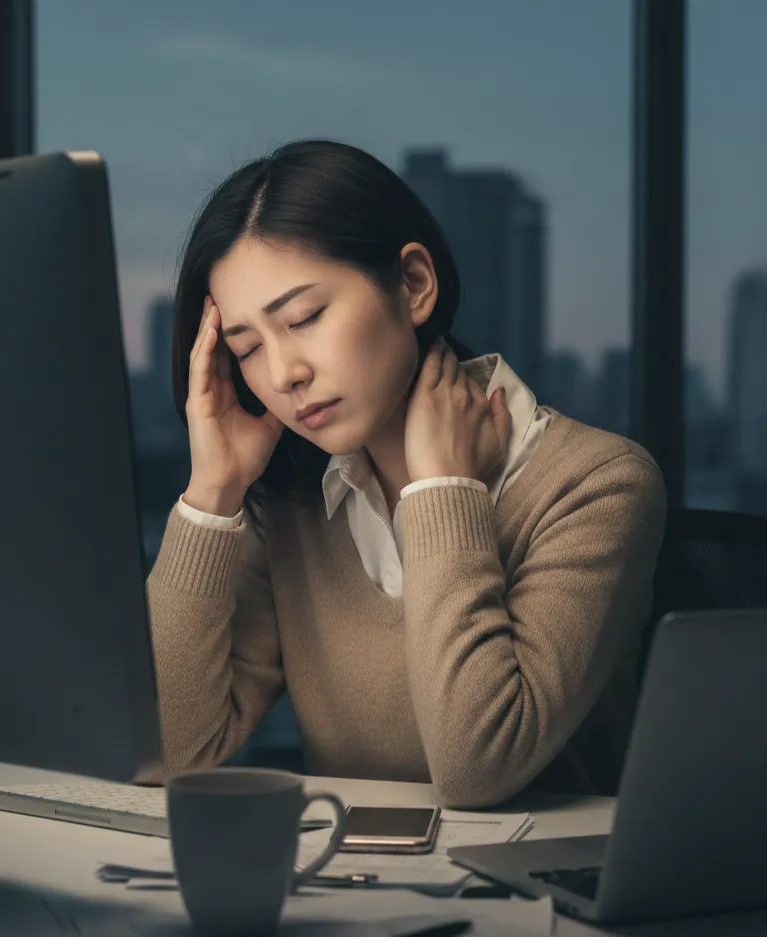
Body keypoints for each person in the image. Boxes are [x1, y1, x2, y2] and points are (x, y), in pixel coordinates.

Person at [142, 138, 666, 808]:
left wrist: (444, 492)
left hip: (538, 904)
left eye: (304, 317)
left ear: (414, 284)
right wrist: (211, 496)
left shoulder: (598, 484)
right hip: (348, 895)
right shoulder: (292, 505)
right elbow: (164, 749)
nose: (283, 373)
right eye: (246, 348)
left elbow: (477, 770)